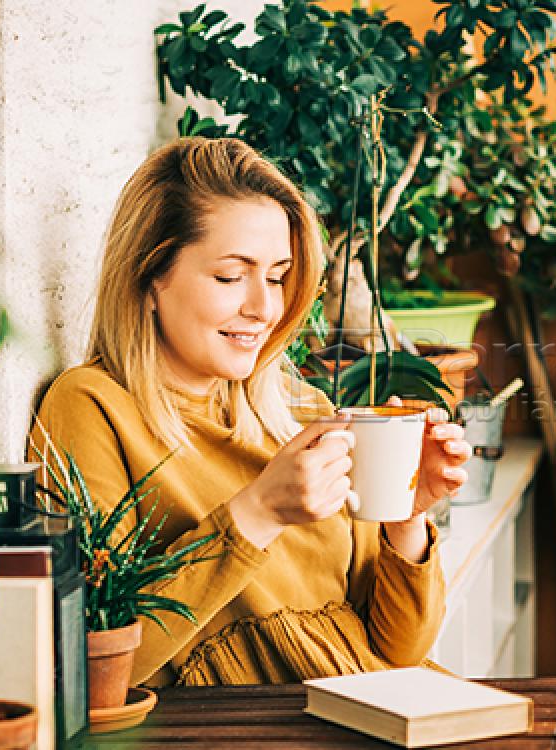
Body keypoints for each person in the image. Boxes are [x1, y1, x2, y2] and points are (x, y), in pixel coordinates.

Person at [31, 137, 471, 688]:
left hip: (373, 714)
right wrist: (259, 511)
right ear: (150, 278)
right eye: (230, 276)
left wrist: (407, 516)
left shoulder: (302, 411)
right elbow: (97, 666)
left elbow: (399, 650)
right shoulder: (92, 408)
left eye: (277, 277)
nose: (263, 309)